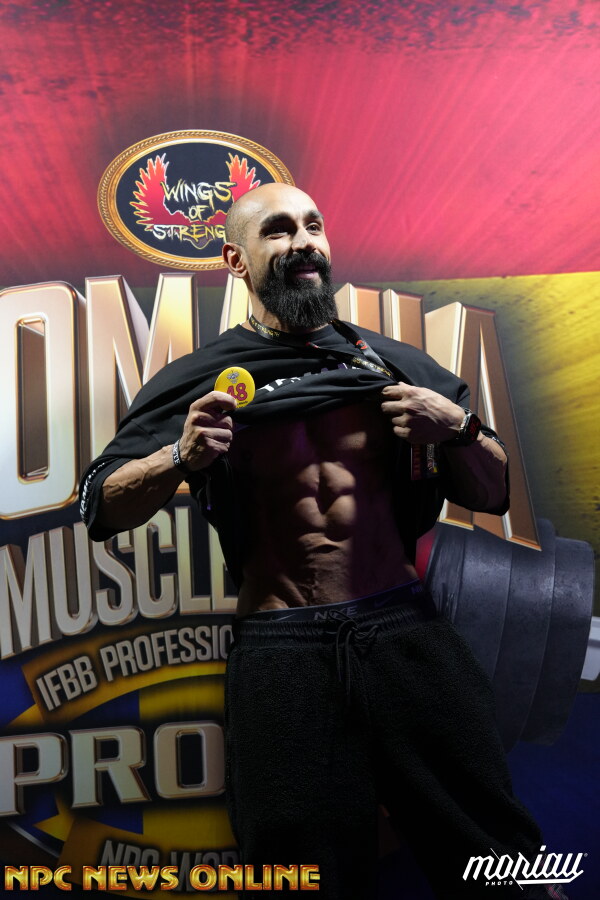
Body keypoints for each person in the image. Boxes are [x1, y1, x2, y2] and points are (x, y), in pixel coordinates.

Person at [80, 183, 567, 900]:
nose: (304, 242)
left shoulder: (392, 365)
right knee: (297, 877)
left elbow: (492, 492)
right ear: (236, 260)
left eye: (313, 226)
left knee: (503, 860)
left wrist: (458, 428)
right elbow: (101, 505)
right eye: (278, 230)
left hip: (403, 632)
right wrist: (179, 456)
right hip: (283, 651)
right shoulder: (200, 382)